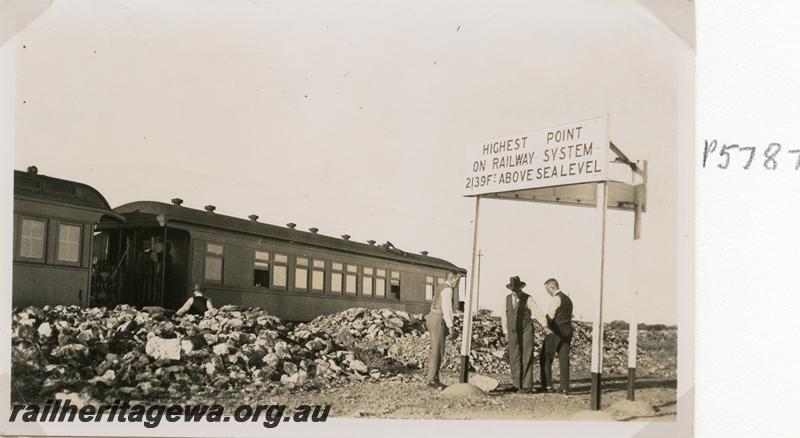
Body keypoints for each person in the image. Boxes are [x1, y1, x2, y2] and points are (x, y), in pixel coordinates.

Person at [501, 276, 547, 393]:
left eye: (518, 290)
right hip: (512, 331)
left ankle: (527, 386)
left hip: (526, 330)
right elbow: (504, 316)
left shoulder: (528, 298)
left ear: (521, 288)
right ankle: (516, 384)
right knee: (514, 357)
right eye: (513, 290)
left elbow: (537, 312)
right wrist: (505, 331)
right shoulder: (506, 299)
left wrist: (544, 325)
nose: (516, 293)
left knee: (526, 356)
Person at [425, 271, 460, 389]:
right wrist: (451, 326)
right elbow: (447, 309)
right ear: (452, 279)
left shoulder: (440, 287)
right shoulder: (448, 290)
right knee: (438, 349)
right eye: (457, 280)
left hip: (432, 317)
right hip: (439, 319)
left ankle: (434, 378)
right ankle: (431, 380)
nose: (457, 283)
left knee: (436, 348)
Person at [539, 277, 574, 395]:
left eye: (547, 289)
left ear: (552, 287)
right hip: (567, 332)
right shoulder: (568, 300)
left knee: (545, 357)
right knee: (564, 359)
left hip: (555, 332)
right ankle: (565, 388)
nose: (547, 292)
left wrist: (544, 325)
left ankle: (547, 385)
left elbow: (550, 316)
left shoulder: (556, 299)